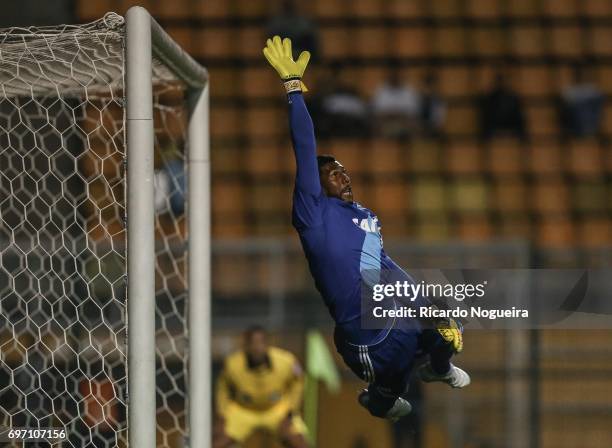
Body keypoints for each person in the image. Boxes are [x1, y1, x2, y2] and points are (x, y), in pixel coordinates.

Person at [262, 36, 470, 423]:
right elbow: (305, 146)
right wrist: (293, 89)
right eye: (332, 172)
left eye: (344, 170)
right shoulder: (312, 213)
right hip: (365, 337)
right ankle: (381, 397)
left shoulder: (366, 215)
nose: (342, 175)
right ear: (316, 184)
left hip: (391, 313)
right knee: (394, 380)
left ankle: (434, 371)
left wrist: (423, 302)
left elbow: (384, 267)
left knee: (446, 325)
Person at [213, 325, 308, 448]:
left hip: (276, 409)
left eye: (261, 342)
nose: (257, 348)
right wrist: (222, 414)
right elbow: (223, 389)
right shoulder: (232, 364)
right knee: (218, 442)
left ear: (268, 344)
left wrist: (290, 410)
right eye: (252, 343)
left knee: (299, 442)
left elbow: (298, 382)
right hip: (244, 410)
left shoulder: (286, 361)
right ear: (245, 345)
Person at [478, 71, 527, 141]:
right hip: (493, 127)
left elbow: (518, 118)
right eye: (500, 81)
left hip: (510, 126)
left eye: (503, 81)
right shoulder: (489, 99)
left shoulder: (513, 99)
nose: (502, 84)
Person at [559, 65, 604, 138]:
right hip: (576, 128)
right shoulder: (569, 92)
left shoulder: (593, 90)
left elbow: (597, 109)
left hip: (590, 127)